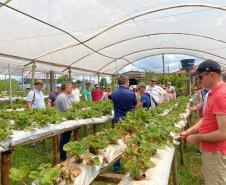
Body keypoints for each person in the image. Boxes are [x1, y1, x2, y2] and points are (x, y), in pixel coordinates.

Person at [180, 59, 226, 185]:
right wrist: (189, 131)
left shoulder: (220, 95)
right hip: (211, 150)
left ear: (212, 75)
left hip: (215, 151)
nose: (199, 80)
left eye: (200, 77)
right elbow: (206, 119)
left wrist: (197, 138)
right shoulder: (213, 93)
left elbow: (223, 133)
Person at [111, 75, 137, 173]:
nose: (129, 83)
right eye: (128, 81)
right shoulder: (131, 93)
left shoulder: (114, 93)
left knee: (118, 142)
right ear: (126, 82)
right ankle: (132, 165)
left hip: (117, 119)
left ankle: (117, 167)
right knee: (131, 140)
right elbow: (134, 104)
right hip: (129, 120)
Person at [55, 82, 73, 161]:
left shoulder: (62, 96)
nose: (72, 89)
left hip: (63, 121)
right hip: (64, 122)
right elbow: (67, 111)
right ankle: (63, 157)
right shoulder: (63, 97)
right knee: (64, 140)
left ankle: (63, 155)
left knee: (64, 139)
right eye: (71, 87)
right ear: (66, 88)